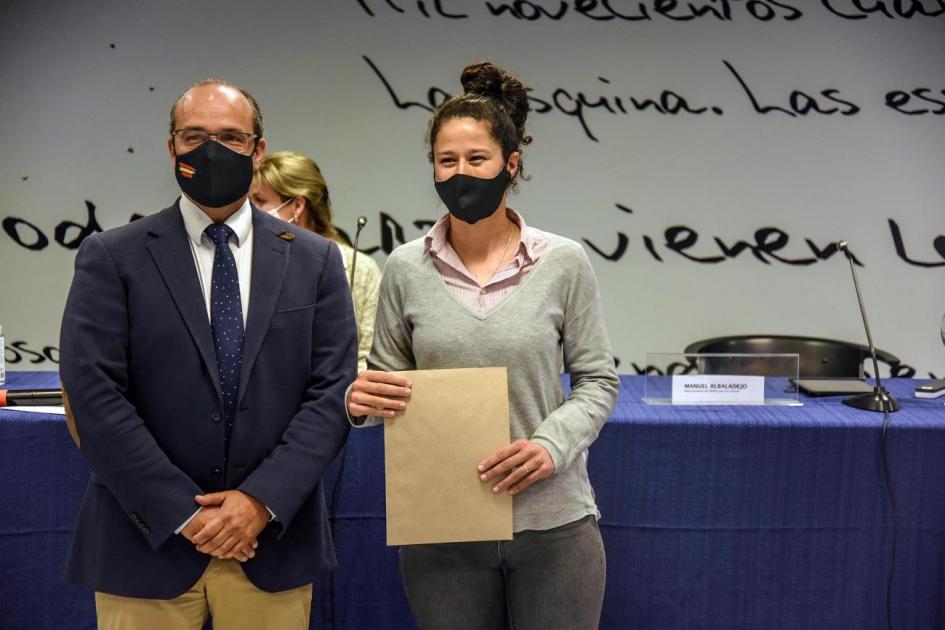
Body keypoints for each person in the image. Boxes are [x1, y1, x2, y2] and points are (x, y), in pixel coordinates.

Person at [59, 79, 357, 629]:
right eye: (194, 136)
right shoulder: (112, 256)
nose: (210, 150)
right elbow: (94, 395)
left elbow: (331, 392)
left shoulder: (316, 261)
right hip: (143, 544)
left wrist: (257, 503)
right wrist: (182, 513)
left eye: (230, 137)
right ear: (171, 147)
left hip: (271, 543)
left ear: (258, 150)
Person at [347, 62, 619, 629]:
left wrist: (549, 445)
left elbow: (598, 382)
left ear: (510, 164)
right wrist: (359, 402)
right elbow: (387, 386)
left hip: (553, 524)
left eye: (477, 159)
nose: (461, 173)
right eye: (447, 161)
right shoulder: (404, 267)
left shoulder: (563, 262)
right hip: (443, 525)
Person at [251, 151, 381, 371]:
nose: (250, 211)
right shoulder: (246, 262)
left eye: (260, 201)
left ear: (298, 206)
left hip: (340, 398)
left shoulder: (361, 269)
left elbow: (369, 359)